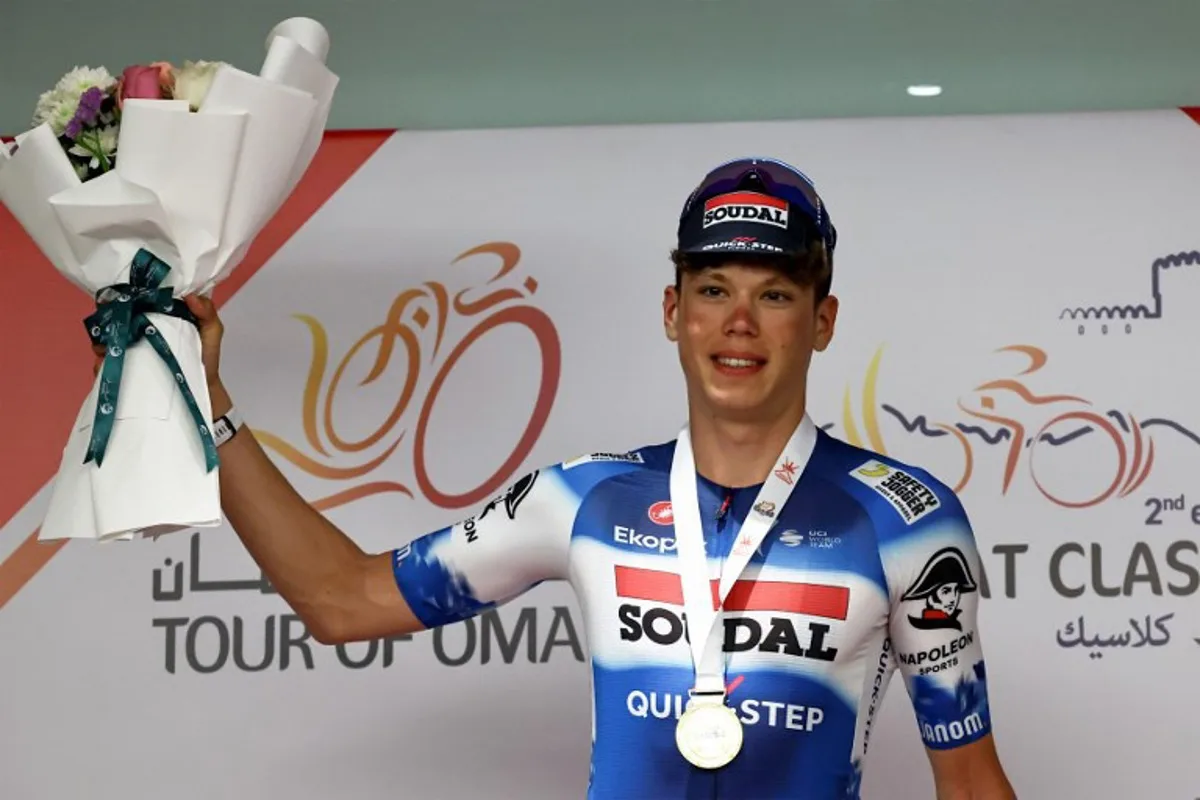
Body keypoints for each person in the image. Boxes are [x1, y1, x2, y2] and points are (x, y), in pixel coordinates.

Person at [98, 158, 1016, 799]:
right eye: (712, 289)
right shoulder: (585, 499)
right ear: (673, 312)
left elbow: (969, 782)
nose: (740, 322)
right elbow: (343, 600)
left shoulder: (908, 520)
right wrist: (205, 408)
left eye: (774, 295)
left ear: (821, 322)